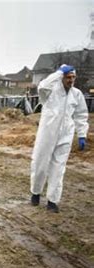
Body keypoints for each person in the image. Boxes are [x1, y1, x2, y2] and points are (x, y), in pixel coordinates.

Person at [30, 65, 89, 213]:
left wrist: (82, 134)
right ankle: (36, 192)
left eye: (73, 77)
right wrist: (58, 73)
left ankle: (52, 201)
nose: (71, 80)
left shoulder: (77, 94)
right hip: (47, 133)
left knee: (58, 167)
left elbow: (81, 115)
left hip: (65, 135)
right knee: (40, 163)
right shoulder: (50, 91)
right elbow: (41, 87)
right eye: (68, 77)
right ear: (61, 77)